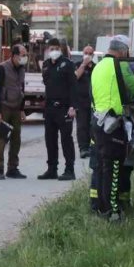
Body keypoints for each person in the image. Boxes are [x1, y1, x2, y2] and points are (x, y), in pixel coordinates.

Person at [90, 35, 134, 220]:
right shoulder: (120, 65)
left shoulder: (98, 66)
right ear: (123, 51)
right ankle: (113, 211)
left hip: (98, 122)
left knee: (102, 167)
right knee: (113, 169)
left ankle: (100, 207)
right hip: (113, 124)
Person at [38, 38, 78, 181]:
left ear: (60, 49)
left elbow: (74, 86)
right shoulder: (46, 65)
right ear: (48, 50)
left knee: (66, 140)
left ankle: (69, 169)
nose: (53, 51)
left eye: (56, 48)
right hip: (50, 108)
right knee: (50, 140)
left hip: (64, 108)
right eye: (51, 48)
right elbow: (47, 83)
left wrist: (73, 106)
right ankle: (52, 169)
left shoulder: (67, 64)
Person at [0, 44, 28, 180]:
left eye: (25, 55)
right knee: (0, 139)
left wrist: (22, 109)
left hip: (16, 108)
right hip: (4, 107)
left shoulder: (22, 69)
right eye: (22, 55)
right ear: (14, 56)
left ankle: (12, 168)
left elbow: (22, 90)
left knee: (16, 139)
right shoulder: (2, 68)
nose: (25, 57)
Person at [74, 45, 95, 159]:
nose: (87, 55)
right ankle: (83, 148)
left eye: (90, 53)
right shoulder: (78, 65)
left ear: (93, 55)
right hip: (80, 102)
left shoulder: (96, 67)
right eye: (85, 53)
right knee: (82, 126)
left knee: (92, 126)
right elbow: (75, 77)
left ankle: (92, 148)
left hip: (93, 102)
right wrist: (83, 65)